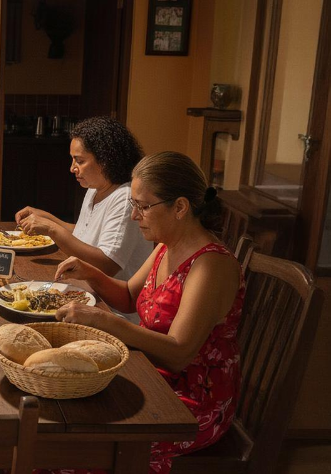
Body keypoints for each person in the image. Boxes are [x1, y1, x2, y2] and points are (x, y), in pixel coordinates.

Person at [49, 152, 244, 474]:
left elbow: (179, 354)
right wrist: (91, 273)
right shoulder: (167, 244)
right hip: (152, 374)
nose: (133, 215)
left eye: (142, 206)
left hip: (189, 401)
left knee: (76, 441)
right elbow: (128, 297)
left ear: (180, 207)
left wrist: (105, 322)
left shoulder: (210, 265)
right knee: (62, 404)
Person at [16, 116, 151, 281]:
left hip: (109, 304)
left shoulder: (124, 199)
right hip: (85, 287)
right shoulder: (94, 188)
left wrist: (51, 228)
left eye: (79, 161)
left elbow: (107, 265)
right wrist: (45, 217)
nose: (72, 168)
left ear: (105, 160)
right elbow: (84, 233)